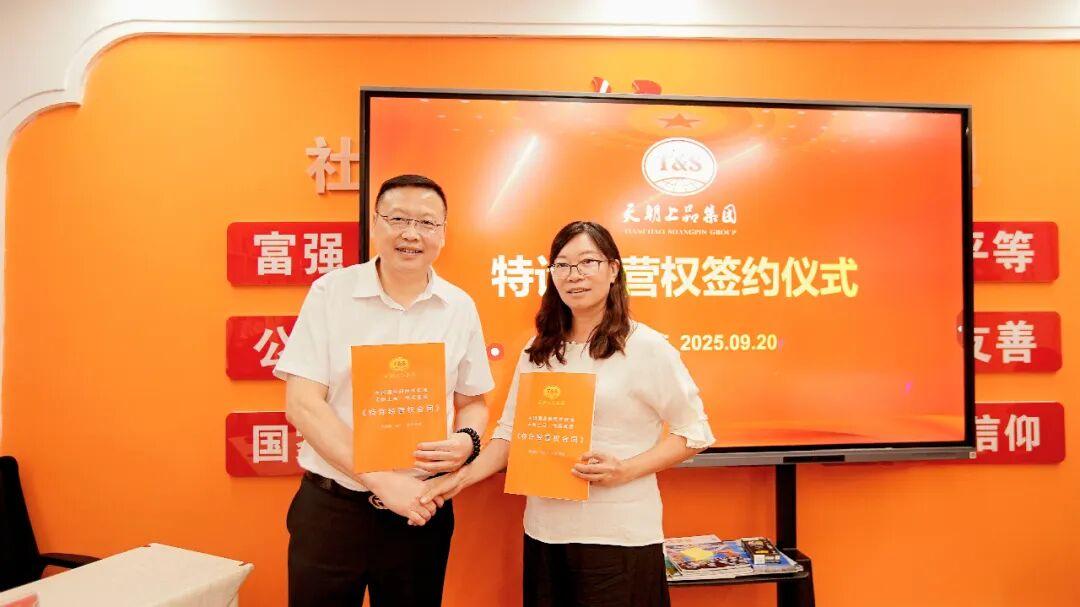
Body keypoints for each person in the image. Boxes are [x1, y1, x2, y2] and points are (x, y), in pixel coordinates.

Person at [422, 220, 715, 607]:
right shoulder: (539, 350)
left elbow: (694, 432)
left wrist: (625, 470)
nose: (573, 275)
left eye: (587, 262)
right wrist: (459, 479)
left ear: (613, 269)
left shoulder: (645, 346)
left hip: (618, 537)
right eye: (562, 265)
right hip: (545, 533)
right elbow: (509, 435)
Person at [273, 174, 494, 607]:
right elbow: (302, 403)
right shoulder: (330, 293)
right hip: (333, 510)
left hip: (421, 510)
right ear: (375, 224)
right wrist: (380, 481)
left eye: (426, 223)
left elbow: (473, 402)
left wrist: (467, 440)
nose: (411, 233)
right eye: (398, 219)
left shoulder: (459, 307)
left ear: (443, 233)